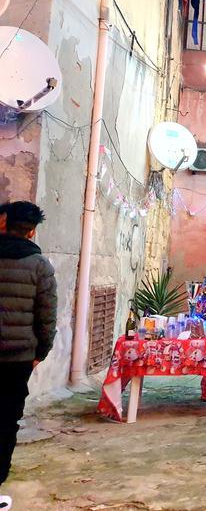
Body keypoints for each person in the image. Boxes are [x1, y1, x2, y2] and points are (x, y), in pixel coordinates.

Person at [0, 202, 58, 504]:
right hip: (18, 358)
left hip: (18, 356)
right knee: (7, 420)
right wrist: (40, 353)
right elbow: (47, 316)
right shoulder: (40, 266)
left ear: (3, 223)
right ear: (33, 231)